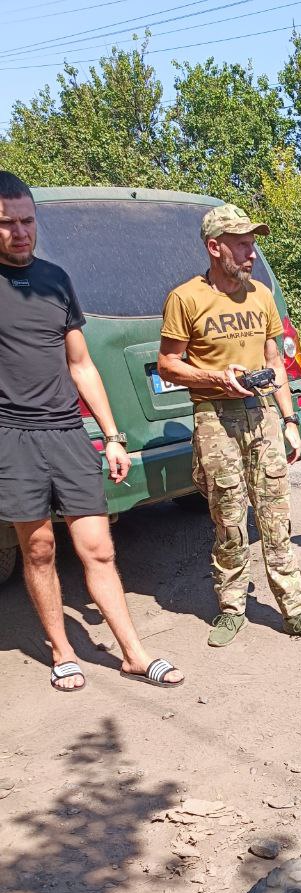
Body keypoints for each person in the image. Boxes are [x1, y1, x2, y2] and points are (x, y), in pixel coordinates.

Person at [0, 171, 184, 692]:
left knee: (98, 548)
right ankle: (62, 649)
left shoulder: (56, 279)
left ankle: (133, 652)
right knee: (37, 550)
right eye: (8, 223)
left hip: (67, 433)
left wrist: (112, 434)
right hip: (11, 437)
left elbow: (81, 365)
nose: (20, 232)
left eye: (28, 221)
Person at [158, 205, 301, 648]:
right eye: (241, 244)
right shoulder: (186, 298)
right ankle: (232, 607)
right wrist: (216, 379)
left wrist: (289, 420)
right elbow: (168, 365)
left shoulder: (261, 296)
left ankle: (294, 608)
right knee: (230, 517)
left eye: (252, 244)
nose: (250, 253)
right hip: (215, 417)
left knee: (275, 515)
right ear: (215, 247)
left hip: (262, 415)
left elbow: (275, 362)